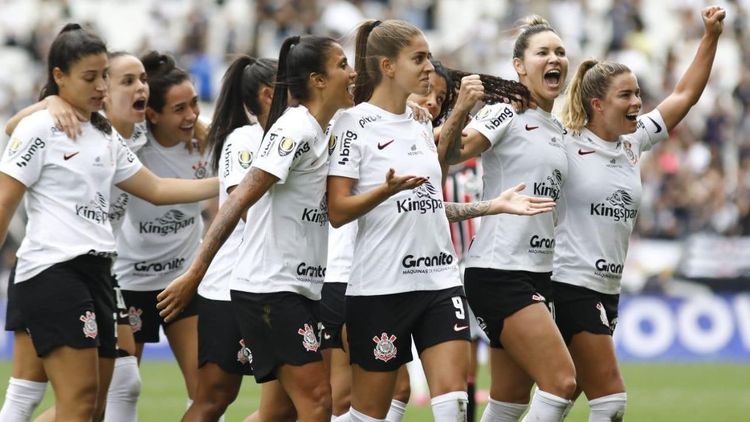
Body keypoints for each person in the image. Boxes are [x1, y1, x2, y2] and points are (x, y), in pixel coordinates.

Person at [327, 19, 556, 422]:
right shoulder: (352, 124)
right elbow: (337, 211)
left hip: (439, 282)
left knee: (455, 403)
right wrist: (386, 191)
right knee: (369, 414)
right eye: (418, 58)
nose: (429, 66)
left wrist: (492, 205)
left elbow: (430, 202)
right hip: (381, 286)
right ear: (388, 66)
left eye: (429, 56)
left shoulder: (420, 123)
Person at [0, 24, 217, 422]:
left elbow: (155, 187)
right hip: (54, 270)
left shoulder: (107, 135)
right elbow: (4, 197)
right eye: (92, 77)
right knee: (57, 397)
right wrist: (49, 104)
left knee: (98, 400)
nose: (101, 86)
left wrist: (237, 183)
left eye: (104, 76)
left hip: (101, 273)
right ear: (60, 77)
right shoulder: (42, 126)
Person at [158, 34, 357, 422]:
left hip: (299, 287)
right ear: (316, 79)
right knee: (317, 401)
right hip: (269, 287)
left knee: (282, 409)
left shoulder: (325, 129)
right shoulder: (291, 130)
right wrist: (194, 275)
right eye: (342, 66)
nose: (351, 74)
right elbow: (236, 201)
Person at [554, 6, 725, 421]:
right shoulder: (561, 143)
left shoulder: (633, 142)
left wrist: (710, 37)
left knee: (563, 394)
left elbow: (683, 95)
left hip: (606, 288)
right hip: (569, 282)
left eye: (637, 94)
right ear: (597, 104)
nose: (638, 102)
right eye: (626, 96)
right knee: (610, 401)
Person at [444, 15, 578, 422]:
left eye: (560, 52)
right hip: (500, 269)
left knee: (510, 401)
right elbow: (452, 153)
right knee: (563, 383)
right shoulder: (505, 112)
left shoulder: (556, 127)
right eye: (543, 52)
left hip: (537, 271)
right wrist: (463, 109)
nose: (554, 58)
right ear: (519, 65)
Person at [180, 55, 277, 421]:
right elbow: (246, 207)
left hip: (283, 285)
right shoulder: (244, 140)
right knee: (214, 399)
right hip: (232, 287)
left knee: (290, 403)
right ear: (269, 96)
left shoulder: (304, 135)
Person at [113, 51, 209, 409]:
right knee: (120, 391)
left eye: (194, 105)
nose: (192, 115)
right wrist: (53, 103)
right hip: (130, 283)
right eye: (180, 109)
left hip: (182, 283)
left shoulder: (207, 140)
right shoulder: (130, 143)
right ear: (152, 114)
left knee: (206, 394)